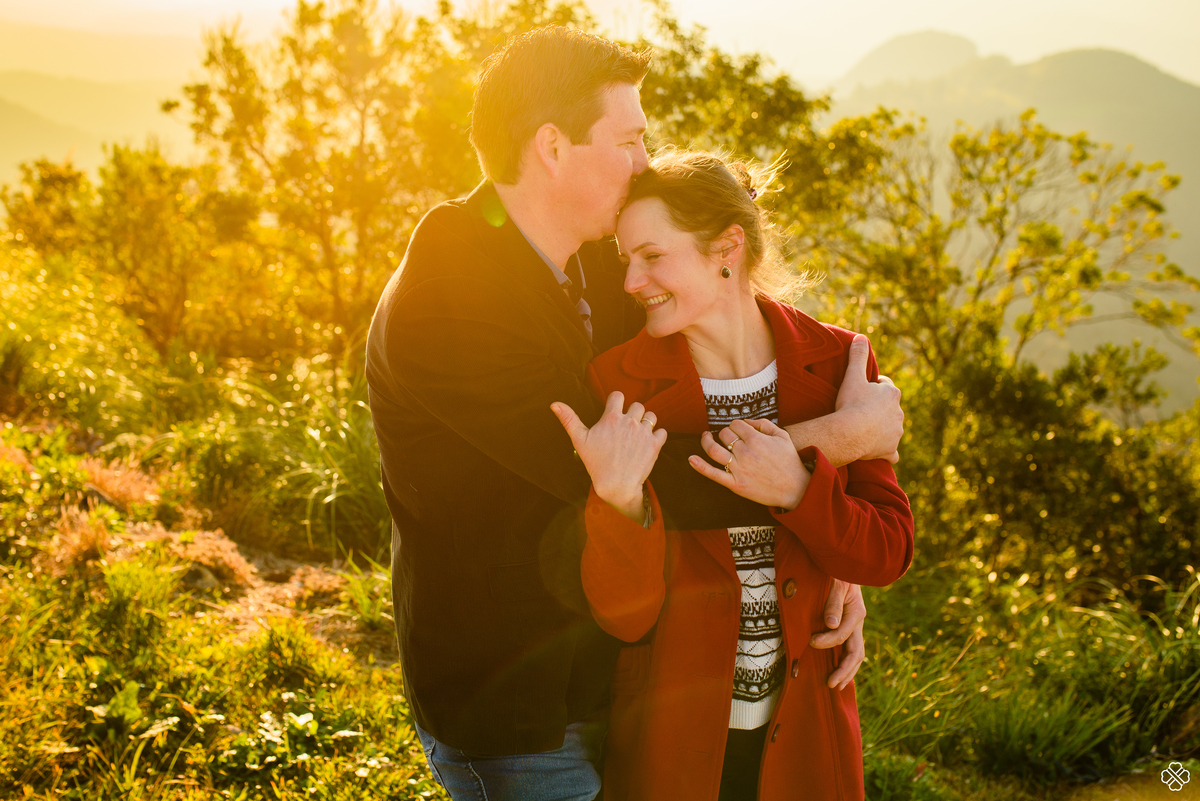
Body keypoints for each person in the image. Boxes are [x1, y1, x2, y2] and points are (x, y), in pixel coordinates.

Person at [364, 26, 903, 801]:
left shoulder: (593, 258)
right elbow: (645, 473)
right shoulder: (448, 299)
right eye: (628, 140)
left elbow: (710, 344)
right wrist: (838, 442)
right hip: (518, 703)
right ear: (553, 147)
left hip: (624, 678)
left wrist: (830, 561)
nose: (645, 162)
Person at [550, 149, 914, 801]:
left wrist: (798, 492)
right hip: (673, 738)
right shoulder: (618, 384)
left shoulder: (839, 362)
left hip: (808, 733)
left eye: (652, 256)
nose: (631, 281)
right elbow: (625, 618)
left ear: (727, 247)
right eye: (626, 258)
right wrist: (619, 500)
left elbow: (886, 552)